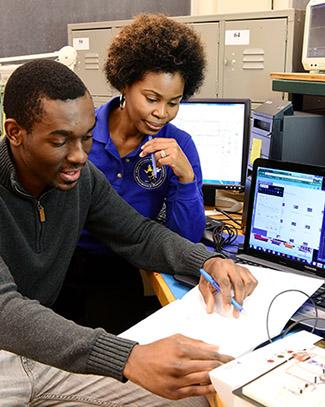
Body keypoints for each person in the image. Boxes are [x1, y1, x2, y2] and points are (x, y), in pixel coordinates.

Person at [0, 58, 257, 405]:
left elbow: (138, 234)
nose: (79, 156)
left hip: (40, 352)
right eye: (60, 141)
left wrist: (207, 261)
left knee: (194, 393)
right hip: (8, 348)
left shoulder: (82, 180)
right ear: (15, 132)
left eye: (87, 138)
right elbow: (5, 308)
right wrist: (128, 357)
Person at [57, 13, 207, 333]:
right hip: (64, 263)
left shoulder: (179, 145)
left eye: (174, 102)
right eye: (152, 98)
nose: (161, 113)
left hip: (127, 268)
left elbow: (184, 240)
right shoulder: (82, 132)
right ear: (125, 84)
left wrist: (186, 180)